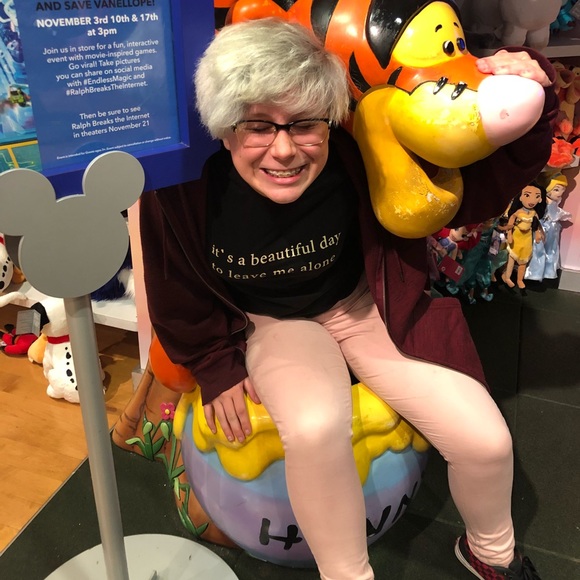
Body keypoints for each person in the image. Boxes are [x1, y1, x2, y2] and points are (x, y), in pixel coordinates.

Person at [140, 18, 557, 580]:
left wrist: (530, 92)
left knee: (485, 441)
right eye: (257, 125)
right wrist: (214, 363)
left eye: (304, 124)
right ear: (224, 126)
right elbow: (174, 284)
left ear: (329, 120)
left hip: (362, 308)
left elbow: (471, 186)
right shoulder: (185, 188)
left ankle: (493, 557)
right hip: (273, 323)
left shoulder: (358, 151)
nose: (283, 150)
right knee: (315, 427)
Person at [502, 182, 548, 290]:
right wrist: (509, 234)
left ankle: (520, 279)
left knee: (523, 261)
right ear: (521, 197)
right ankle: (507, 276)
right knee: (511, 258)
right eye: (527, 195)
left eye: (537, 197)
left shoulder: (534, 213)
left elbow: (536, 225)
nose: (532, 200)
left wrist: (538, 234)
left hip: (527, 239)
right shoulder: (517, 212)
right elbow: (510, 223)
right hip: (516, 237)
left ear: (540, 199)